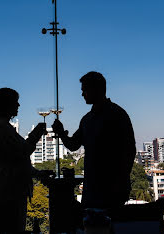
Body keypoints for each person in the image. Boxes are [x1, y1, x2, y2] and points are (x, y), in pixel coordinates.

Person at [52, 71, 136, 209]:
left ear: (96, 89)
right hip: (102, 186)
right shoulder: (114, 114)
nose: (82, 94)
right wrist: (61, 133)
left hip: (108, 187)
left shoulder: (93, 119)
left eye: (84, 90)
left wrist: (61, 133)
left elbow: (129, 151)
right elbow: (73, 145)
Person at [0, 88, 46, 233]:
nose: (18, 105)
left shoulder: (2, 127)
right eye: (15, 102)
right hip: (8, 198)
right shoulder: (2, 128)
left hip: (7, 197)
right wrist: (37, 133)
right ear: (6, 104)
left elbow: (16, 161)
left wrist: (38, 173)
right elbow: (24, 151)